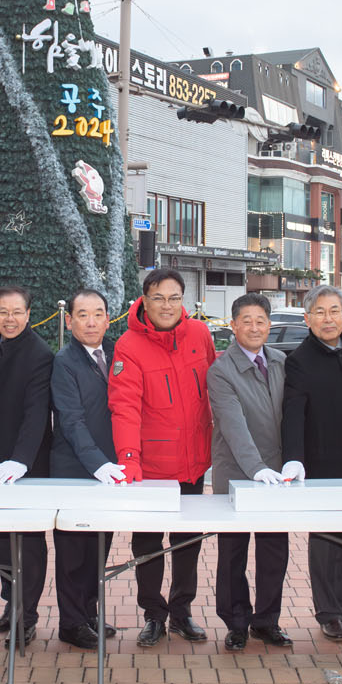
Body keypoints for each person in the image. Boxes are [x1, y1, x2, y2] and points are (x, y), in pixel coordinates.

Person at [109, 267, 216, 646]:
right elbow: (124, 407)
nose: (167, 306)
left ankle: (182, 612)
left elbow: (214, 389)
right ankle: (154, 614)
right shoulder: (128, 345)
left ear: (183, 300)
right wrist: (129, 458)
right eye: (158, 298)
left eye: (174, 298)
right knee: (148, 545)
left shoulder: (199, 334)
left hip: (193, 463)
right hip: (151, 468)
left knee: (188, 543)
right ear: (144, 301)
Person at [280, 285, 342, 641]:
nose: (328, 319)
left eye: (334, 311)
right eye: (319, 312)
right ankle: (328, 612)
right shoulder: (299, 359)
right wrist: (294, 459)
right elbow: (293, 413)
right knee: (324, 538)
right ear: (307, 318)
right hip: (321, 461)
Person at [206, 292, 298, 651]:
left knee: (274, 550)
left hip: (276, 474)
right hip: (237, 472)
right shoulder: (221, 371)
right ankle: (236, 623)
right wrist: (256, 468)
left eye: (261, 321)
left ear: (269, 325)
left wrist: (292, 459)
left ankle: (267, 621)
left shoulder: (280, 361)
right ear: (233, 326)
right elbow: (234, 426)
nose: (254, 327)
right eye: (246, 321)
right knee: (233, 552)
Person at [47, 288, 125, 650]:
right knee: (73, 553)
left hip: (111, 470)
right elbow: (71, 420)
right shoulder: (64, 361)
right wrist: (99, 464)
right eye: (82, 315)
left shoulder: (118, 353)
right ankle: (71, 622)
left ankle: (89, 613)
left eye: (97, 314)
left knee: (99, 547)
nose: (91, 322)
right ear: (69, 321)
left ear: (108, 319)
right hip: (75, 469)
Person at [0, 286, 54, 644]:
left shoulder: (38, 353)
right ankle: (11, 605)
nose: (10, 319)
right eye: (3, 312)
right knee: (2, 538)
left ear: (28, 314)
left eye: (17, 312)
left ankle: (27, 616)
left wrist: (20, 461)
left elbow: (36, 414)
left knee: (29, 542)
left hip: (26, 464)